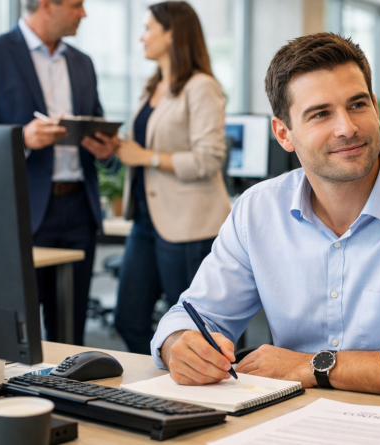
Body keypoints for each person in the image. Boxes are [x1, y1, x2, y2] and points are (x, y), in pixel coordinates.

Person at [153, 33, 380, 403]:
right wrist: (179, 346)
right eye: (321, 113)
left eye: (357, 105)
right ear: (283, 134)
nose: (347, 127)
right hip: (288, 425)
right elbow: (193, 316)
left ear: (375, 107)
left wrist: (312, 367)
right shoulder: (257, 210)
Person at [0, 0, 118, 345]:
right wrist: (22, 138)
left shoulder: (82, 63)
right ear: (45, 5)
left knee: (71, 330)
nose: (83, 14)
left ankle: (68, 397)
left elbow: (96, 124)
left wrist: (104, 148)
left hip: (79, 211)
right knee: (17, 332)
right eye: (75, 5)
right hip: (21, 212)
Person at [113, 1, 230, 355]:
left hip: (188, 224)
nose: (141, 36)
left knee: (196, 332)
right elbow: (144, 147)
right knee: (128, 319)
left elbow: (209, 158)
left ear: (172, 33)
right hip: (146, 220)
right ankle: (159, 386)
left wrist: (146, 157)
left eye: (148, 28)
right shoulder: (153, 87)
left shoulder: (201, 86)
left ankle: (197, 397)